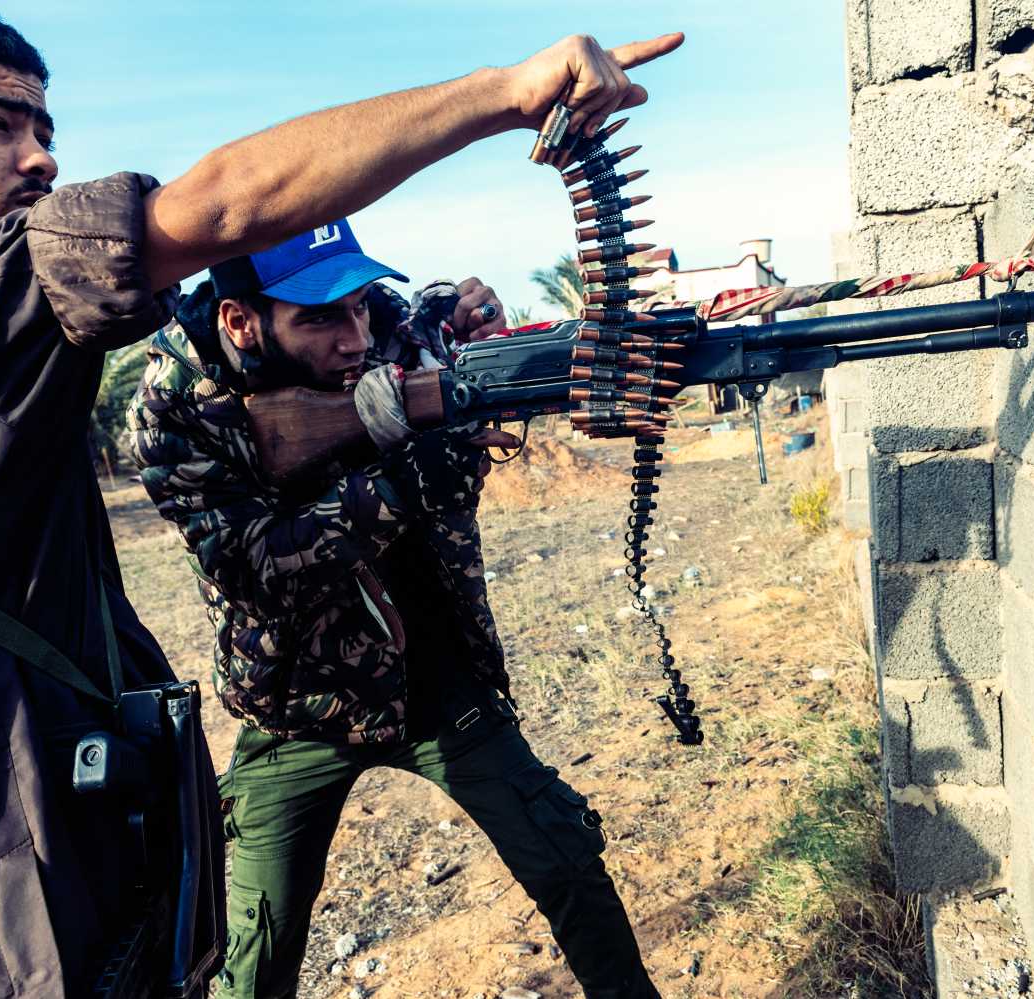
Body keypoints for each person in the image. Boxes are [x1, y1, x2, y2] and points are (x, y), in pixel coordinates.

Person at [0, 0, 681, 994]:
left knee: (560, 858)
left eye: (45, 132)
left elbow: (439, 381)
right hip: (278, 713)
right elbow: (217, 215)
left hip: (421, 688)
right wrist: (503, 95)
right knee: (257, 945)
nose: (40, 161)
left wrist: (463, 374)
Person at [125, 221, 663, 999]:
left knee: (564, 862)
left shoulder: (380, 330)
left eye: (359, 308)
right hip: (294, 704)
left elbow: (423, 323)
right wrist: (404, 480)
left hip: (435, 675)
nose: (353, 336)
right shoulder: (176, 403)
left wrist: (463, 316)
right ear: (241, 321)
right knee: (257, 945)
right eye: (318, 317)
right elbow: (250, 563)